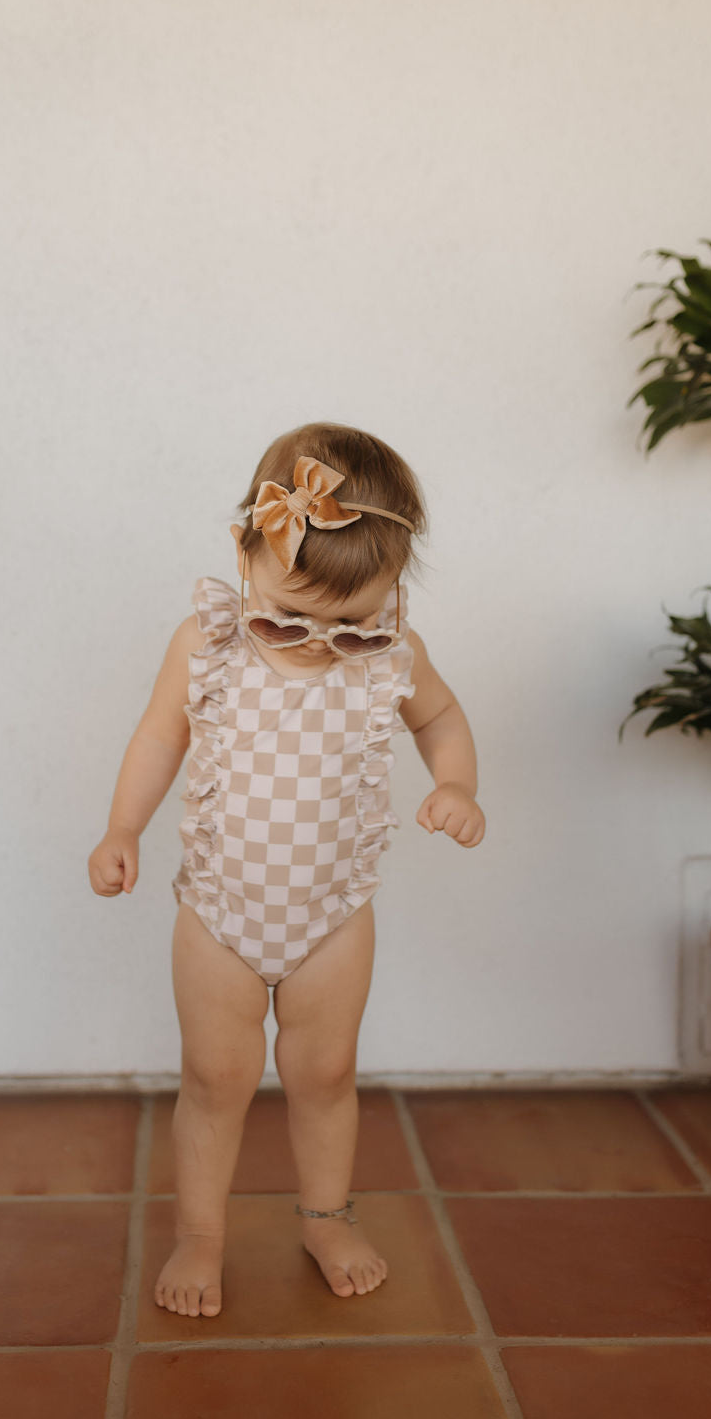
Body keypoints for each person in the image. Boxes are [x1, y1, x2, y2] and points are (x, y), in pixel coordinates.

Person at [88, 422, 485, 1320]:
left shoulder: (391, 653)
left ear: (391, 590)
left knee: (326, 1075)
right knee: (215, 1079)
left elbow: (442, 719)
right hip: (220, 913)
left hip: (333, 915)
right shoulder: (209, 643)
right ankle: (201, 1234)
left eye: (346, 617)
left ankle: (325, 1217)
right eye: (295, 605)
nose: (317, 633)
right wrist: (123, 827)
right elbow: (158, 736)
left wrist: (456, 781)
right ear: (245, 549)